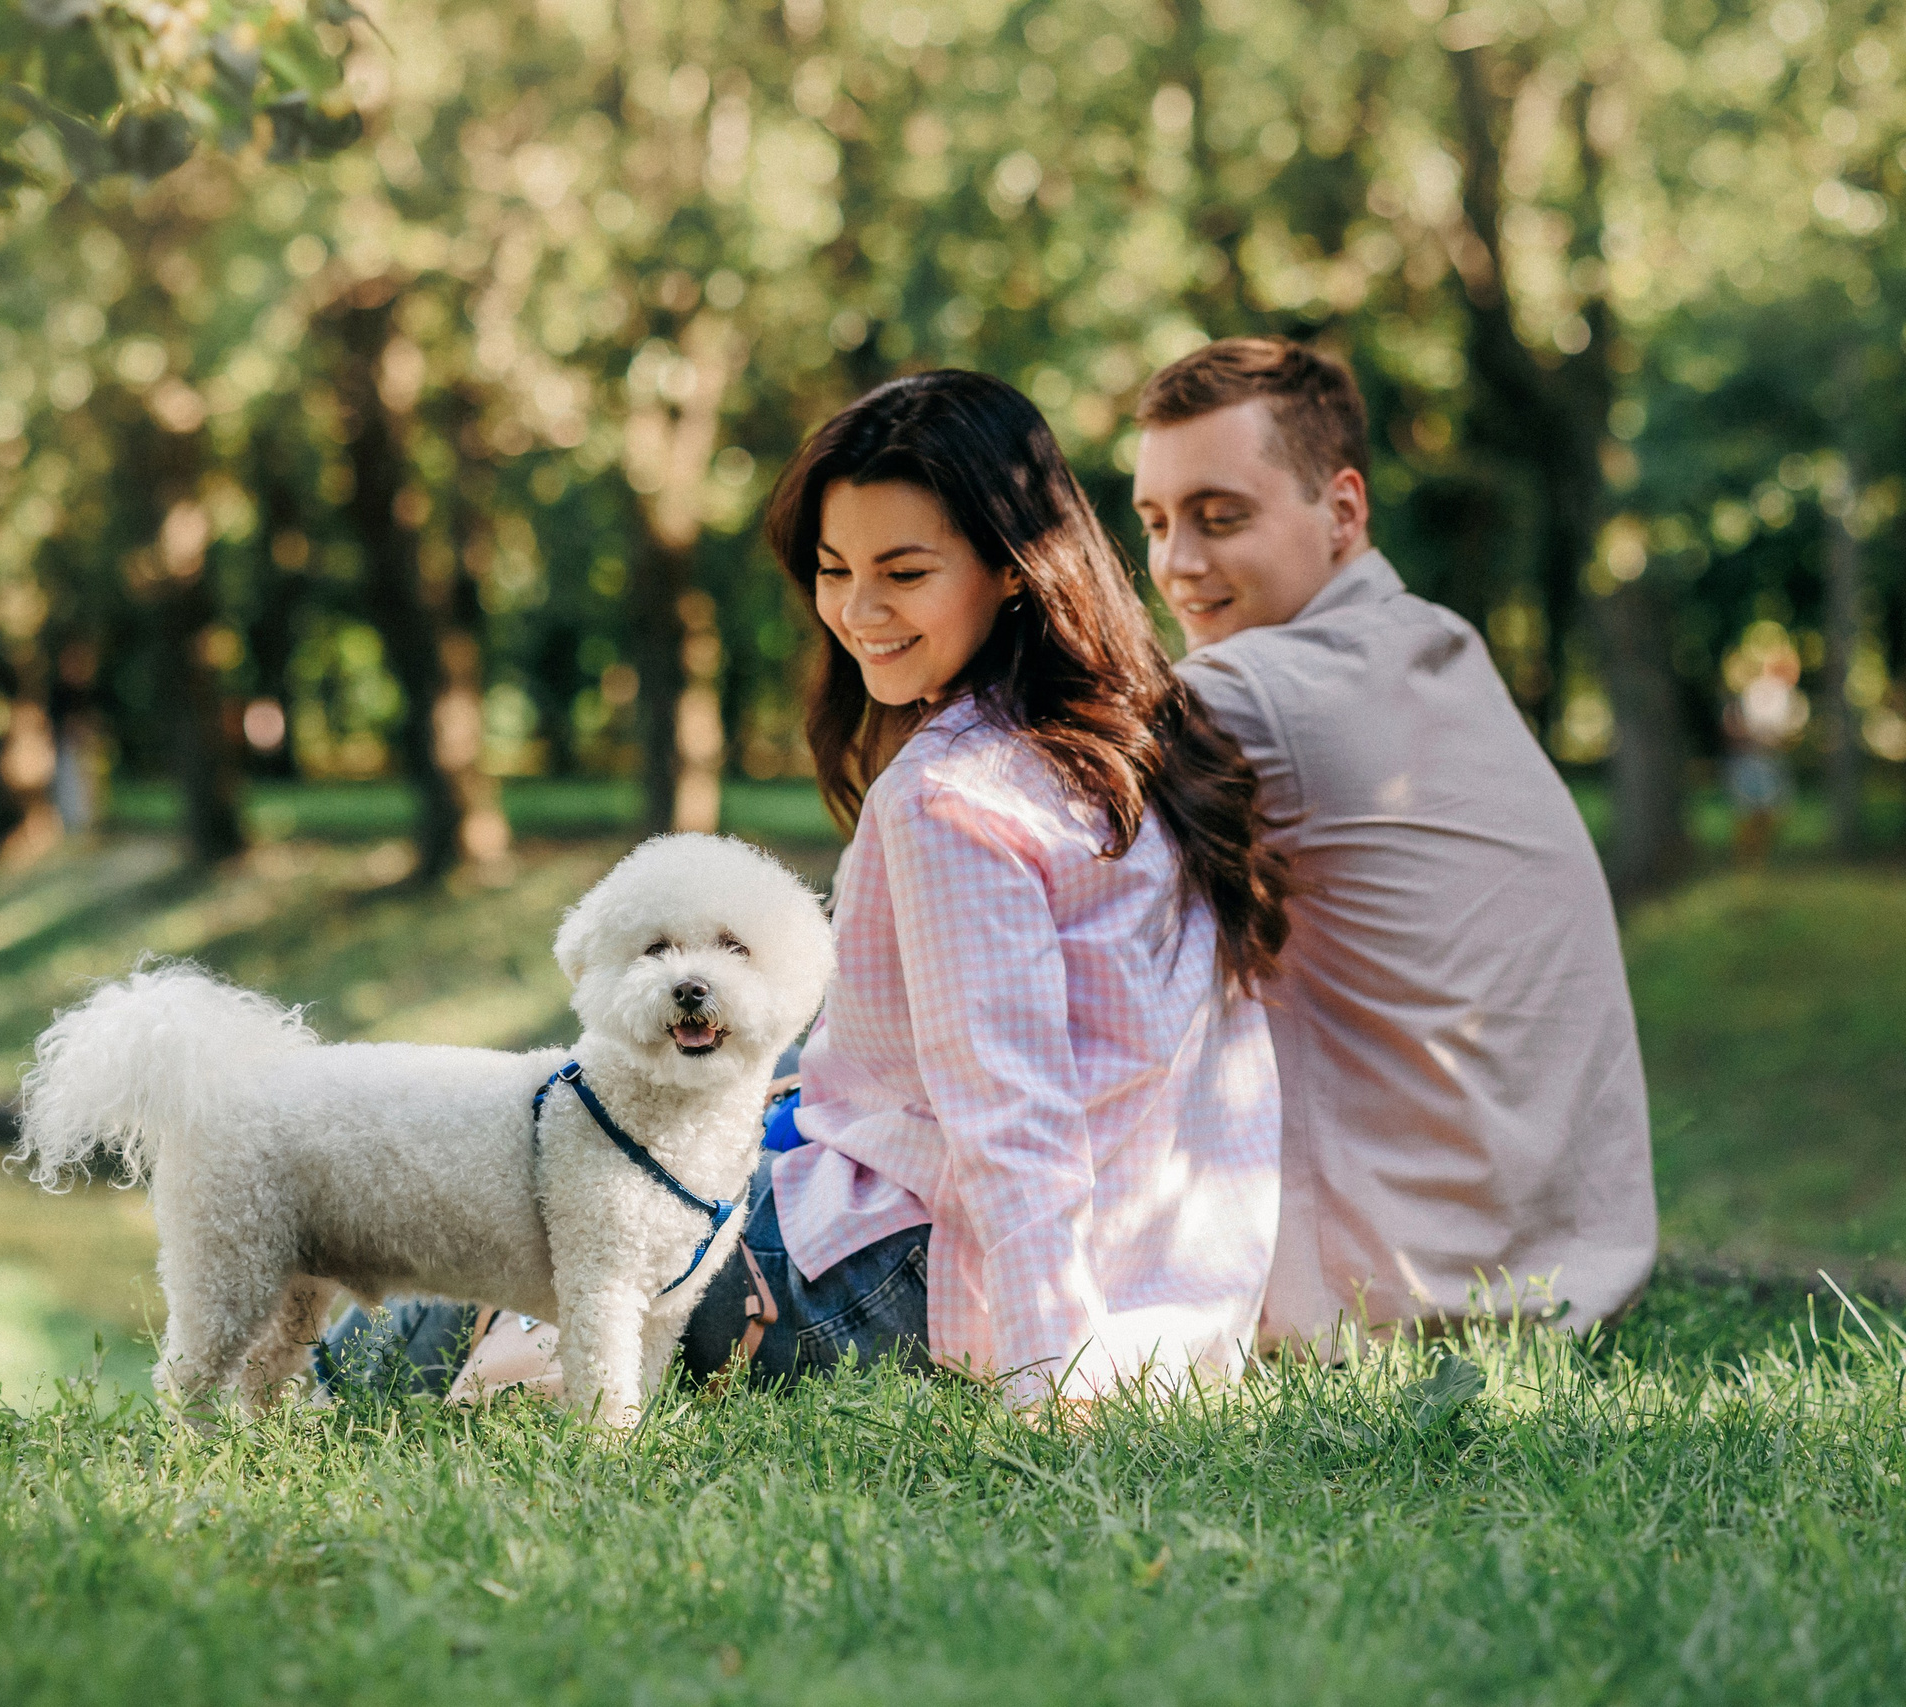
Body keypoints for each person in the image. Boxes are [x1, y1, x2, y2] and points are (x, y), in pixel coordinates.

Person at [327, 371, 1291, 1409]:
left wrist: (1052, 1382)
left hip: (924, 1287)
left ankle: (306, 1387)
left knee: (519, 1183)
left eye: (904, 571)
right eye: (834, 570)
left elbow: (1015, 1118)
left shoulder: (952, 798)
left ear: (1013, 568)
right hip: (1162, 1288)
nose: (859, 611)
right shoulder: (1134, 743)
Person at [1129, 337, 1657, 1351]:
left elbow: (1008, 755)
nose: (1176, 564)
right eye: (1154, 521)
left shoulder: (1266, 692)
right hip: (1556, 1278)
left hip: (1399, 1302)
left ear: (1342, 511)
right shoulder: (1429, 644)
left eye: (1220, 516)